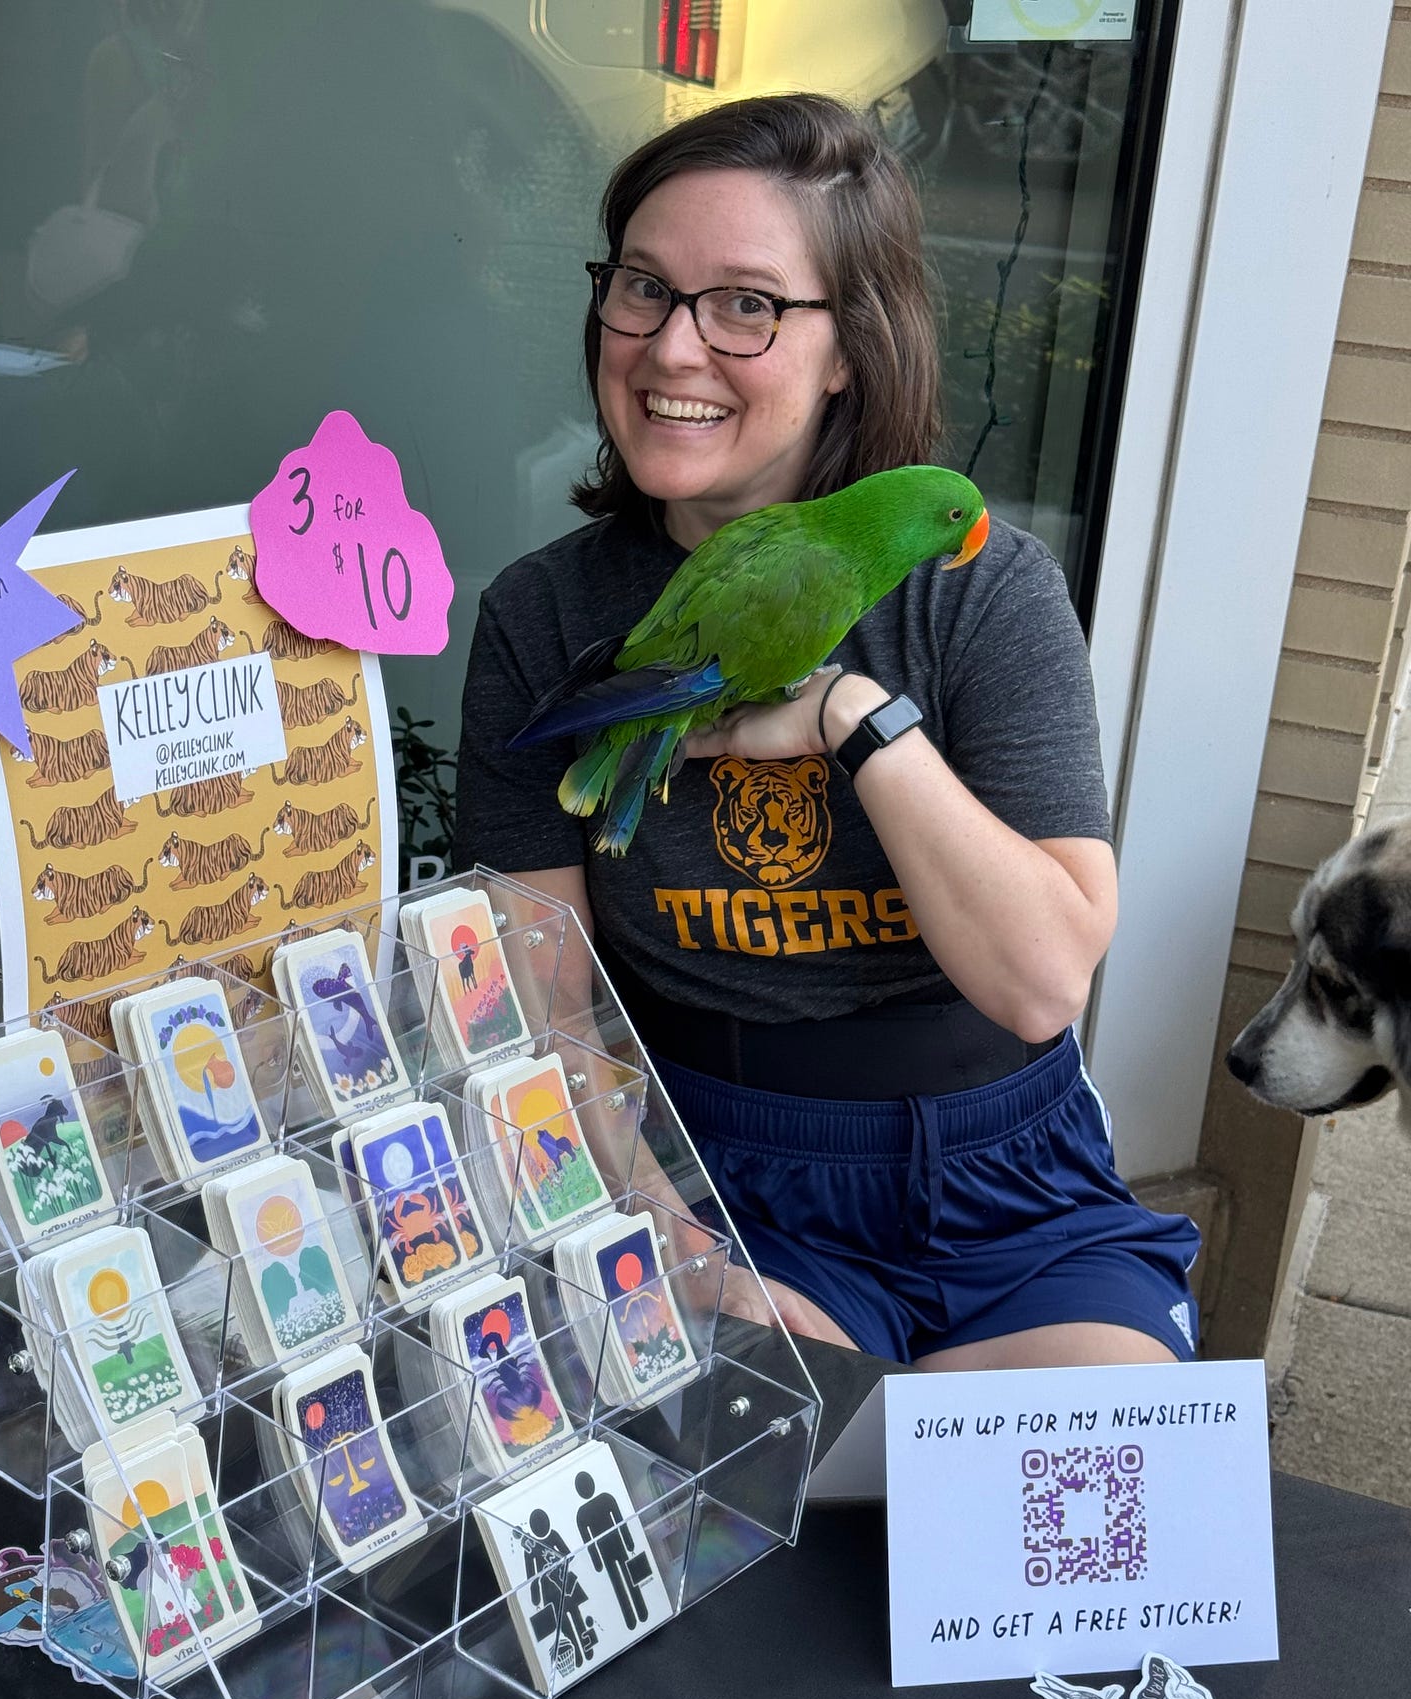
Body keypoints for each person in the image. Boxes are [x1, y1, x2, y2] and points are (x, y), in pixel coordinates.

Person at [453, 92, 1200, 1370]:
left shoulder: (983, 595)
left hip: (1008, 1189)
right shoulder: (544, 613)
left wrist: (857, 719)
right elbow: (541, 1001)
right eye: (644, 287)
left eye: (745, 304)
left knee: (1091, 1472)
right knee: (780, 1466)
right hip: (704, 1170)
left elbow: (1041, 981)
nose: (673, 348)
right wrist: (673, 1242)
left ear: (848, 349)